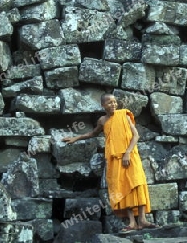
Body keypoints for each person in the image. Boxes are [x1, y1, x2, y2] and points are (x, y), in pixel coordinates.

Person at [62, 93, 158, 232]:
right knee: (122, 188)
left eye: (114, 102)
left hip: (130, 156)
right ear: (103, 105)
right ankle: (132, 222)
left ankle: (142, 219)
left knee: (138, 183)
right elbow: (93, 133)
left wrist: (127, 153)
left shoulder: (124, 115)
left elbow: (136, 135)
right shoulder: (102, 120)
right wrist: (76, 137)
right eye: (109, 103)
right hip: (114, 160)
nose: (113, 104)